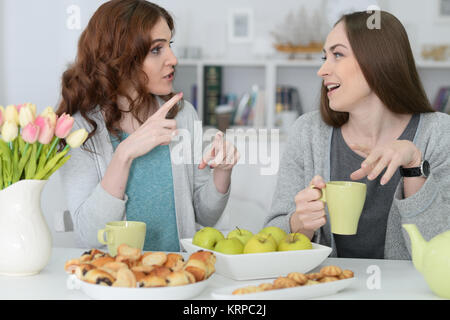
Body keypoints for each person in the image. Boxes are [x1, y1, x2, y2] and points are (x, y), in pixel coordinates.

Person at [265, 10, 450, 259]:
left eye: (338, 55)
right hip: (328, 290)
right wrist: (300, 223)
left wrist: (414, 167)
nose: (321, 70)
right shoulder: (307, 133)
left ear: (378, 60)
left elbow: (440, 251)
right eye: (324, 57)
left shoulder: (439, 134)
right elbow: (269, 237)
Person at [57, 0, 239, 251]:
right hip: (115, 281)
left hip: (177, 277)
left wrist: (222, 173)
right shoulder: (80, 129)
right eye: (156, 50)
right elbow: (90, 237)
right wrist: (124, 154)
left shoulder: (184, 115)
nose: (173, 59)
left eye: (169, 45)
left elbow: (204, 216)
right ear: (119, 58)